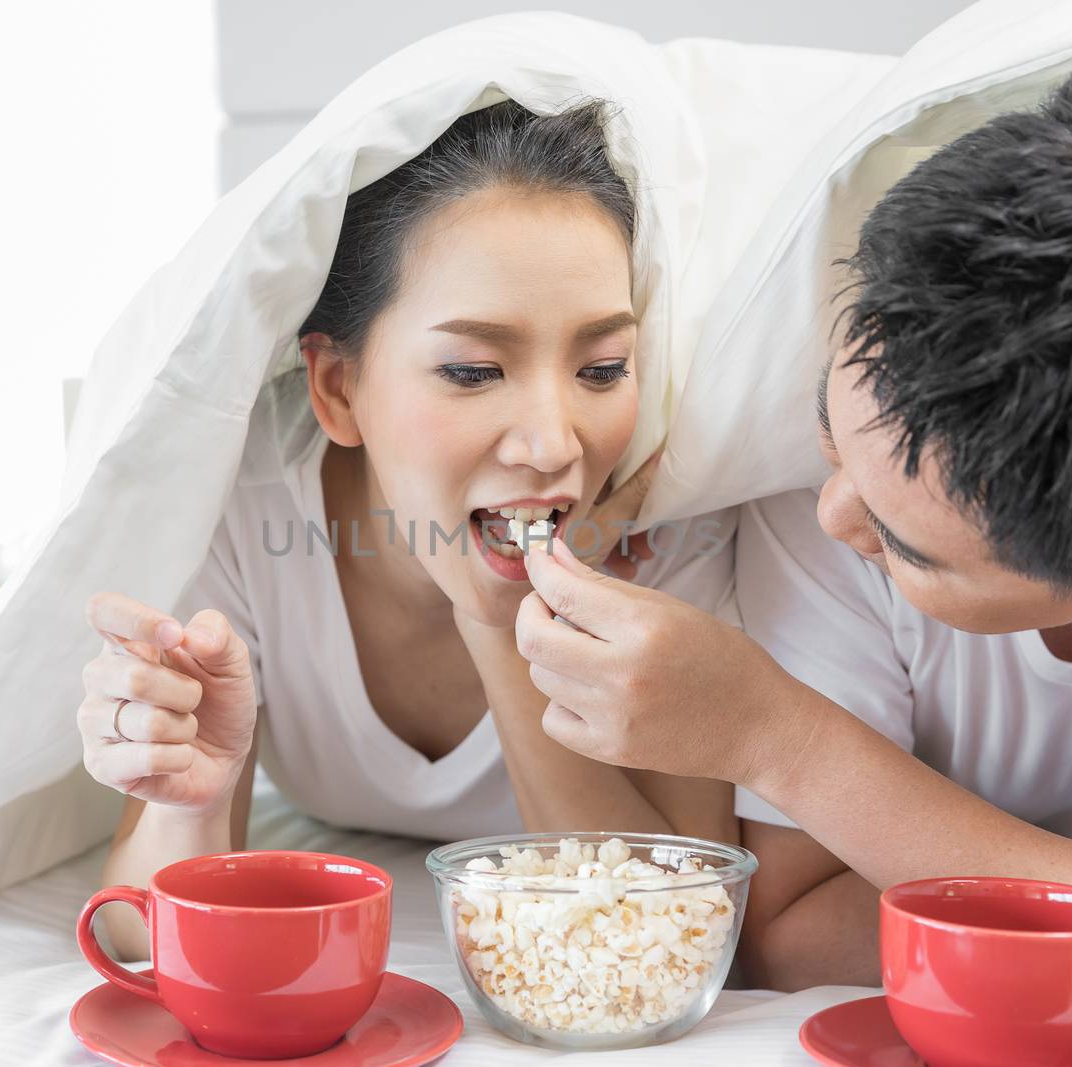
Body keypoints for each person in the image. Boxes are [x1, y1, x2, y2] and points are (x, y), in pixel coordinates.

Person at [511, 72, 1072, 1059]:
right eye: (832, 440)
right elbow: (790, 932)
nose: (834, 517)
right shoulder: (838, 483)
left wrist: (782, 737)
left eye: (907, 545)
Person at [73, 100, 739, 960]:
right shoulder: (247, 510)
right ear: (340, 389)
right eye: (473, 370)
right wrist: (191, 803)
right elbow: (135, 925)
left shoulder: (669, 521)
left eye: (602, 368)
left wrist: (497, 620)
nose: (553, 443)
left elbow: (672, 928)